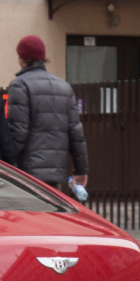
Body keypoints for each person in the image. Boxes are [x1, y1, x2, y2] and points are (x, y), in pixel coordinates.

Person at [6, 35, 88, 196]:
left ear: (21, 58)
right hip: (56, 172)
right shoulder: (64, 87)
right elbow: (76, 132)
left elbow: (18, 131)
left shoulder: (20, 84)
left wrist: (6, 163)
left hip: (27, 172)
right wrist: (81, 169)